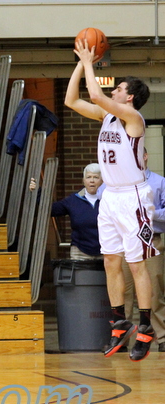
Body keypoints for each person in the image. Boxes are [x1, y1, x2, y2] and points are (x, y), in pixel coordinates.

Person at [65, 39, 154, 361]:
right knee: (110, 261)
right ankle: (119, 321)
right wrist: (80, 63)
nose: (113, 91)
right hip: (111, 196)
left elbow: (95, 95)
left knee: (136, 264)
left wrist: (90, 62)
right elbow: (71, 99)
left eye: (119, 88)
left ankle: (146, 326)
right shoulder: (107, 117)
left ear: (129, 97)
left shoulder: (133, 118)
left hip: (133, 197)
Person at [121, 148, 165, 353]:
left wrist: (150, 213)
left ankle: (162, 337)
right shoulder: (118, 183)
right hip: (125, 241)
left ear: (145, 156)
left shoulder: (159, 182)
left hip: (152, 240)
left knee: (155, 290)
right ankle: (122, 339)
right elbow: (102, 199)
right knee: (124, 290)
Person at [30, 163, 102, 261]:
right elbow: (51, 209)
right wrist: (37, 192)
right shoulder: (73, 200)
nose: (92, 180)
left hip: (107, 251)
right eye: (88, 177)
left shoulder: (109, 200)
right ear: (83, 180)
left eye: (96, 177)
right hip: (80, 252)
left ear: (102, 181)